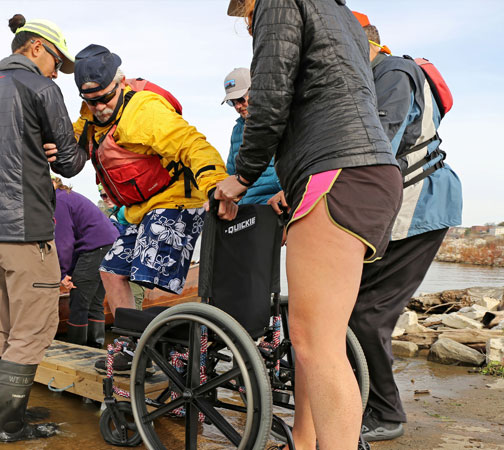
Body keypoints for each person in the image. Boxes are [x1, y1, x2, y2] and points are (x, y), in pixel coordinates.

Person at [220, 1, 403, 449]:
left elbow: (269, 98)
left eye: (245, 18)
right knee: (314, 338)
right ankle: (304, 441)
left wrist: (241, 177)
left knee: (315, 343)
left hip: (336, 169)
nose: (248, 26)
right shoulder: (338, 13)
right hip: (367, 172)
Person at [0, 14, 86, 443]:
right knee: (33, 330)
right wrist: (70, 149)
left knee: (3, 329)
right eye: (57, 64)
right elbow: (69, 162)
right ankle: (10, 426)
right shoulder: (41, 89)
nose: (58, 74)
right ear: (34, 49)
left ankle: (12, 409)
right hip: (27, 232)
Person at [67, 44, 230, 373]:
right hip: (143, 208)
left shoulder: (144, 111)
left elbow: (191, 143)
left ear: (120, 83)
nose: (99, 107)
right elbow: (68, 144)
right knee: (110, 271)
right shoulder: (89, 120)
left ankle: (180, 356)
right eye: (90, 100)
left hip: (179, 200)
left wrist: (217, 183)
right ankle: (129, 348)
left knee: (152, 280)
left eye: (105, 98)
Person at [349, 11, 463, 442]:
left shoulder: (393, 72)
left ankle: (387, 414)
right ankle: (358, 397)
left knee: (367, 313)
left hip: (419, 210)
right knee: (351, 305)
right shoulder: (377, 75)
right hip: (401, 210)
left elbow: (377, 142)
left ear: (365, 42)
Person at [53, 177, 118, 347]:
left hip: (95, 248)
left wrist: (63, 273)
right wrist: (69, 270)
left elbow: (64, 241)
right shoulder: (68, 196)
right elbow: (74, 240)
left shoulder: (58, 200)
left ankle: (77, 348)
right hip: (108, 245)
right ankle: (95, 347)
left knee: (79, 300)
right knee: (95, 302)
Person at [222, 67, 282, 205]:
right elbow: (231, 172)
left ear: (255, 91)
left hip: (274, 202)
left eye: (240, 99)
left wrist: (289, 192)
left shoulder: (279, 120)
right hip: (246, 206)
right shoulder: (237, 130)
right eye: (232, 102)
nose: (238, 106)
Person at [98, 185, 146, 310]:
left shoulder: (124, 210)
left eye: (108, 194)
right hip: (126, 267)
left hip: (131, 268)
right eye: (103, 196)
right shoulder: (116, 213)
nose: (106, 199)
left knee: (133, 303)